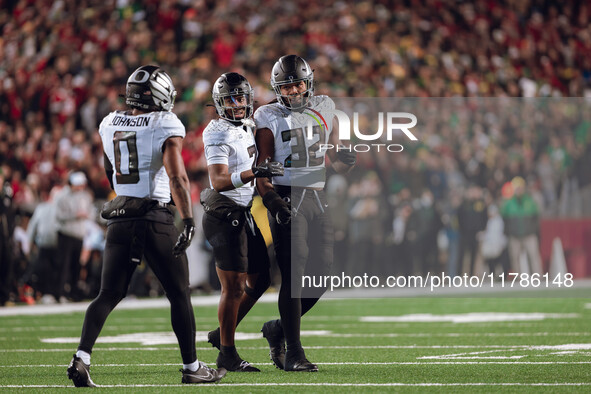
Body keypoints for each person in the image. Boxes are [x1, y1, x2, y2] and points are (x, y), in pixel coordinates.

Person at [67, 65, 225, 387]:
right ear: (159, 93)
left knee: (108, 294)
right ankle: (192, 367)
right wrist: (189, 219)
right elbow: (177, 177)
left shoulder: (110, 122)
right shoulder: (164, 122)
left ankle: (81, 358)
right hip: (155, 217)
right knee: (179, 294)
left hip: (121, 217)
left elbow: (110, 169)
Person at [254, 55, 356, 371]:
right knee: (294, 276)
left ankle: (278, 329)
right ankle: (294, 353)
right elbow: (262, 167)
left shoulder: (325, 107)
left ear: (308, 82)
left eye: (298, 83)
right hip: (286, 196)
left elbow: (335, 161)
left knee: (321, 276)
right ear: (277, 88)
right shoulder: (268, 115)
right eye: (286, 86)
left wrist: (345, 159)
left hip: (316, 195)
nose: (294, 90)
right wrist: (270, 200)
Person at [200, 72, 284, 372]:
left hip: (244, 210)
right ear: (218, 103)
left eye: (241, 98)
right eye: (230, 99)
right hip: (224, 213)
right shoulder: (216, 132)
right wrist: (256, 172)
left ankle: (220, 334)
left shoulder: (249, 122)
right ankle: (227, 353)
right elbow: (219, 180)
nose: (237, 104)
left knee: (260, 279)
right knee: (233, 287)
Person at [55, 171, 94, 302]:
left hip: (79, 235)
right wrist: (74, 215)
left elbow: (91, 213)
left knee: (76, 266)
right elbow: (59, 216)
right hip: (66, 234)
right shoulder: (62, 196)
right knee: (63, 265)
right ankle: (60, 293)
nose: (80, 187)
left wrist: (85, 215)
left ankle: (74, 293)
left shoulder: (85, 197)